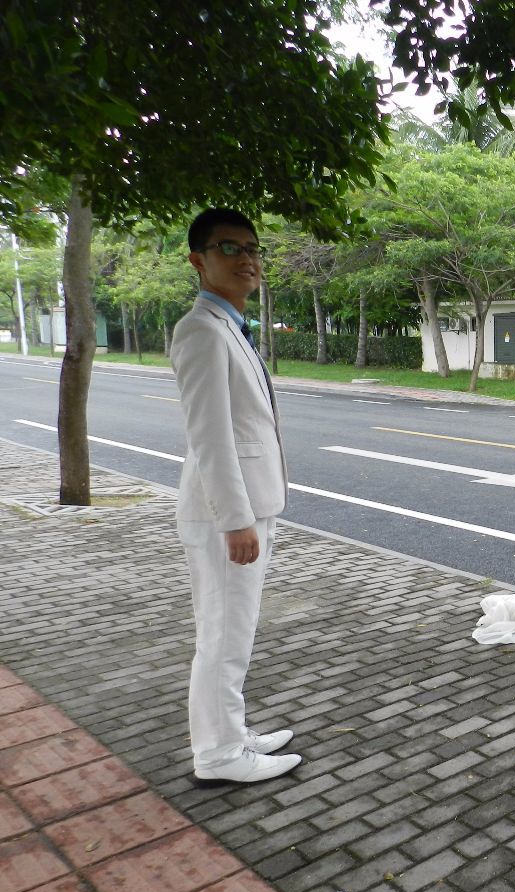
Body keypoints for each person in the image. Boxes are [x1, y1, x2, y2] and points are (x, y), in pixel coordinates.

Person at [171, 208, 301, 784]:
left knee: (231, 633)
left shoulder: (230, 327)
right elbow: (210, 436)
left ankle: (229, 730)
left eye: (252, 247)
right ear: (199, 261)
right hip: (230, 515)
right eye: (228, 248)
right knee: (223, 637)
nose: (246, 258)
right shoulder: (200, 331)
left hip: (249, 507)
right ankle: (219, 756)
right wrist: (236, 520)